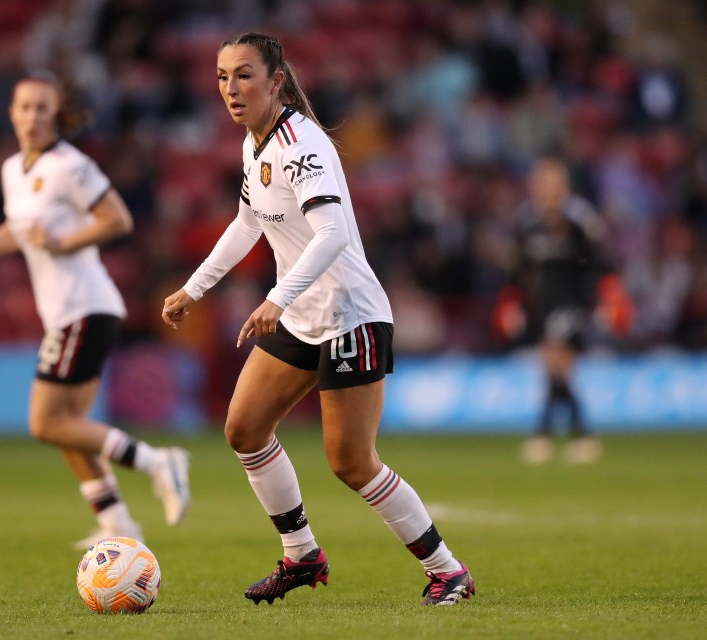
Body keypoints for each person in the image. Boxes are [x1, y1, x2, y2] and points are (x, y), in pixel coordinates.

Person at [161, 32, 474, 607]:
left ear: (276, 80)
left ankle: (448, 570)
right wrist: (194, 288)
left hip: (350, 316)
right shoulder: (254, 146)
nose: (231, 88)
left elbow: (331, 234)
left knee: (351, 462)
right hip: (301, 314)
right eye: (223, 76)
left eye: (245, 75)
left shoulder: (302, 145)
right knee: (245, 429)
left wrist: (277, 297)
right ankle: (302, 555)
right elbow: (247, 223)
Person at [0, 71, 190, 548]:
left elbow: (117, 219)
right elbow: (18, 233)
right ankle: (117, 522)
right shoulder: (12, 170)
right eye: (25, 107)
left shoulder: (70, 165)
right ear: (12, 113)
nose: (33, 116)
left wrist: (65, 241)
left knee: (45, 422)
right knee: (72, 429)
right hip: (72, 312)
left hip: (84, 307)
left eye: (43, 108)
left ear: (57, 115)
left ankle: (156, 460)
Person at [502, 155, 622, 465]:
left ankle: (546, 435)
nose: (544, 188)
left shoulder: (580, 220)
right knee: (554, 368)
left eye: (550, 181)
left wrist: (606, 299)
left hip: (573, 301)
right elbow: (519, 269)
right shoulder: (527, 221)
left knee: (555, 358)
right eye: (539, 182)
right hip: (542, 303)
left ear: (563, 185)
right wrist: (513, 304)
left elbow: (599, 264)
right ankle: (580, 435)